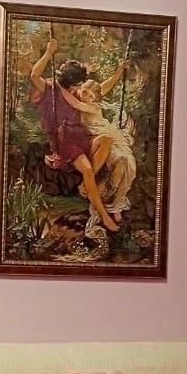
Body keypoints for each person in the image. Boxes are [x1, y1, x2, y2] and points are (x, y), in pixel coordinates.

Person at [29, 38, 121, 233]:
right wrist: (48, 53)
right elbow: (34, 74)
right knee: (87, 169)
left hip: (81, 136)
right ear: (70, 81)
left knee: (106, 140)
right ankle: (104, 216)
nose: (79, 87)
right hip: (65, 142)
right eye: (78, 84)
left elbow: (101, 89)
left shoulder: (77, 91)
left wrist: (118, 73)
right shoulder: (51, 88)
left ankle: (85, 186)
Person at [75, 75, 137, 227]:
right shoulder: (78, 103)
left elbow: (102, 89)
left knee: (127, 163)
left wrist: (119, 72)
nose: (87, 97)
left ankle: (117, 203)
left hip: (110, 135)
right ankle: (102, 204)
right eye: (85, 92)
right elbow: (76, 101)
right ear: (81, 88)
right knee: (120, 161)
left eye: (91, 96)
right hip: (96, 140)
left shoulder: (93, 105)